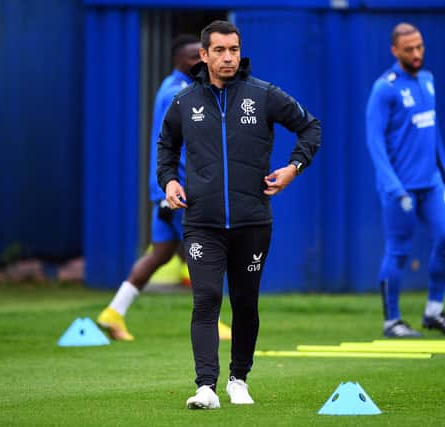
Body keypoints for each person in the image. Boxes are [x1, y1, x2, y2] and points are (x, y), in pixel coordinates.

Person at [157, 20, 321, 409]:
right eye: (219, 50)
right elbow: (166, 148)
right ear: (204, 55)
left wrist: (293, 168)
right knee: (207, 298)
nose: (228, 57)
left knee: (245, 303)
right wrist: (169, 182)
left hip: (252, 222)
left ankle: (238, 379)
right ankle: (205, 387)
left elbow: (309, 128)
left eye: (233, 49)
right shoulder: (184, 102)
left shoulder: (263, 95)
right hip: (202, 223)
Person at [96, 34, 232, 342]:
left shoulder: (169, 89)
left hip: (167, 189)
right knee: (203, 252)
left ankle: (114, 312)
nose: (208, 61)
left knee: (161, 253)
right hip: (180, 189)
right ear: (186, 61)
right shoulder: (181, 92)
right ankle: (211, 323)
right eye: (201, 57)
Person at [365, 23, 445, 338]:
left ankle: (434, 311)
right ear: (395, 51)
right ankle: (392, 320)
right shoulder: (385, 88)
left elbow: (432, 131)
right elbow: (374, 142)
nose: (417, 53)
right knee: (399, 251)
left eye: (420, 46)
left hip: (431, 183)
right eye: (409, 49)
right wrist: (394, 187)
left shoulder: (428, 79)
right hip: (400, 188)